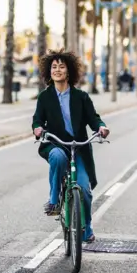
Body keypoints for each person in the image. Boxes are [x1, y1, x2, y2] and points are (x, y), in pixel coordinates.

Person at [32, 49, 110, 244]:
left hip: (79, 148)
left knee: (83, 189)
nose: (57, 70)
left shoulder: (81, 97)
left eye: (62, 67)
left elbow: (94, 119)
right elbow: (37, 120)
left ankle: (87, 226)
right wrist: (38, 129)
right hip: (56, 144)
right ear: (49, 72)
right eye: (54, 67)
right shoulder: (44, 97)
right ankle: (53, 200)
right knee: (57, 157)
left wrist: (101, 128)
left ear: (69, 72)